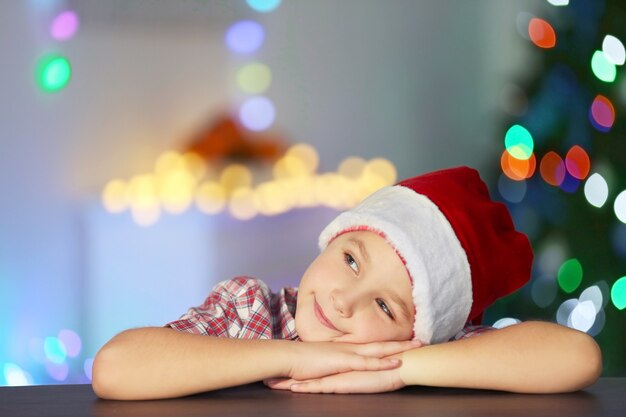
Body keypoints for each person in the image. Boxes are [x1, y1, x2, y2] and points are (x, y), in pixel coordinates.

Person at [92, 166, 602, 400]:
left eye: (385, 307)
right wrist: (293, 357)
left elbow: (577, 358)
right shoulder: (250, 308)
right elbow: (116, 368)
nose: (343, 300)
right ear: (331, 242)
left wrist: (401, 369)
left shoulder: (417, 351)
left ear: (419, 332)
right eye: (352, 261)